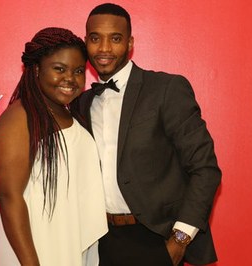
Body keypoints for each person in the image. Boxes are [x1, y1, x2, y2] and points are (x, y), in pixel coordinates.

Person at [71, 3, 222, 266]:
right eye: (95, 39)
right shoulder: (81, 103)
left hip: (157, 239)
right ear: (86, 42)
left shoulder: (165, 89)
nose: (104, 49)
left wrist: (179, 241)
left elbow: (205, 169)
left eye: (115, 39)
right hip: (101, 242)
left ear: (130, 43)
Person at [0, 27, 108, 266]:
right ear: (36, 70)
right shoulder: (19, 118)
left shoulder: (67, 113)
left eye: (78, 71)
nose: (70, 78)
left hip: (66, 236)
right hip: (31, 244)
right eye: (59, 69)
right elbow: (8, 196)